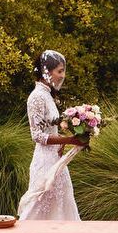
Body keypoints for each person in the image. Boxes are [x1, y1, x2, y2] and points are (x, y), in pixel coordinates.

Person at [17, 50, 87, 221]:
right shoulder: (37, 97)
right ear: (47, 72)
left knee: (63, 202)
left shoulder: (47, 95)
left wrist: (64, 141)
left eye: (63, 71)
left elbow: (50, 128)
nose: (63, 76)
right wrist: (69, 140)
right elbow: (37, 136)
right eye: (60, 71)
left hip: (56, 159)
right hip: (44, 161)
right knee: (40, 205)